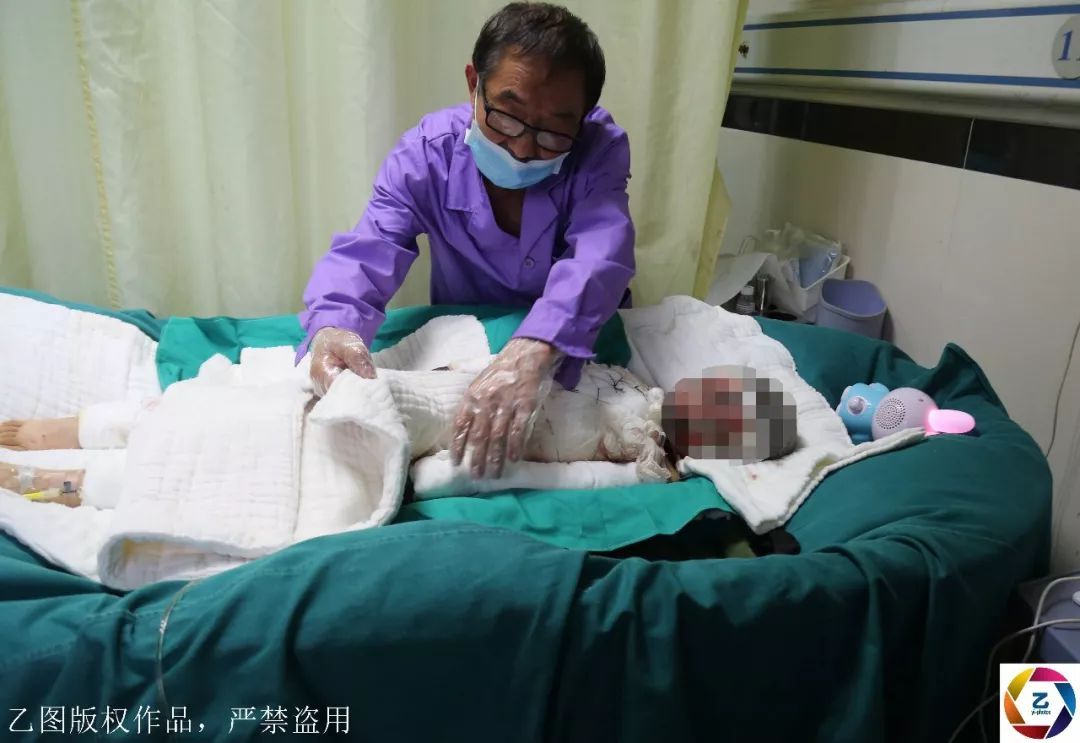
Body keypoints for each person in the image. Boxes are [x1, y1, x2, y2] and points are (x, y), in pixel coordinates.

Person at [300, 2, 635, 479]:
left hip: (574, 340)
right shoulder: (426, 155)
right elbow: (370, 248)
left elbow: (599, 256)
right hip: (466, 340)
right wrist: (334, 325)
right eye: (507, 116)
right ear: (474, 83)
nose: (522, 147)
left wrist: (537, 348)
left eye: (553, 133)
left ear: (581, 121)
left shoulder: (598, 149)